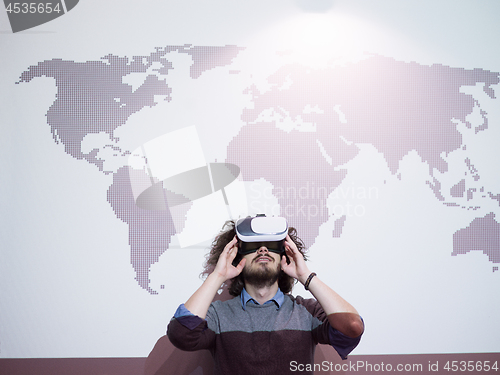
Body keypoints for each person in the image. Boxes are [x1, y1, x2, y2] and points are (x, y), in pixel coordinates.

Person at [167, 219, 364, 374]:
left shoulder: (306, 311)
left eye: (271, 244)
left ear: (285, 255)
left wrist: (306, 276)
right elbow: (182, 335)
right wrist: (218, 275)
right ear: (237, 257)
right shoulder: (218, 315)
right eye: (252, 245)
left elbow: (352, 328)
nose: (263, 249)